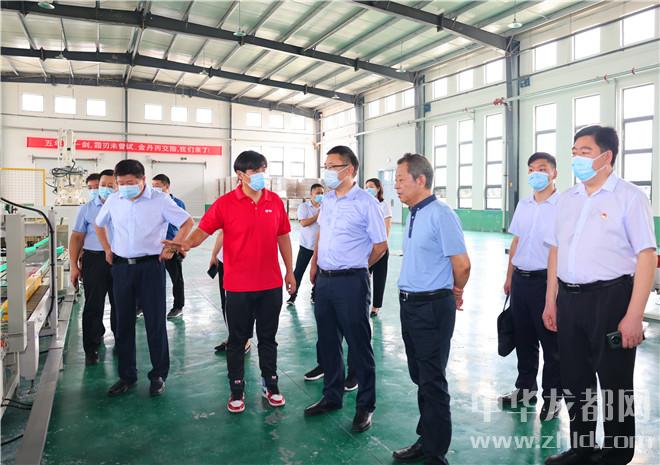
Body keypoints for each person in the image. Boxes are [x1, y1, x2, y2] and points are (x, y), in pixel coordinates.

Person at [543, 126, 656, 465]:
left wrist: (634, 315)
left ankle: (618, 453)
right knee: (575, 378)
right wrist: (551, 301)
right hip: (569, 299)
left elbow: (646, 255)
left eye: (585, 151)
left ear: (607, 156)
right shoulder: (567, 199)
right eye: (574, 151)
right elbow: (556, 251)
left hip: (611, 299)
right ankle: (583, 447)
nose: (576, 157)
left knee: (614, 381)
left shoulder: (630, 197)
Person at [164, 150, 295, 414]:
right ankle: (236, 388)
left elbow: (283, 236)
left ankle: (270, 384)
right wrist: (185, 244)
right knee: (237, 340)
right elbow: (203, 230)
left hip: (270, 284)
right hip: (238, 286)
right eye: (255, 172)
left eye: (263, 170)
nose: (261, 176)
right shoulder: (225, 204)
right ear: (240, 175)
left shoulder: (274, 202)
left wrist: (289, 271)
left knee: (268, 338)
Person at [391, 153, 471, 465]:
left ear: (420, 180)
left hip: (431, 306)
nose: (396, 186)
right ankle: (426, 438)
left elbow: (462, 265)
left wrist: (456, 290)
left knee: (432, 379)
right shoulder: (414, 213)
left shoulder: (441, 214)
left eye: (401, 179)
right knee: (421, 375)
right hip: (410, 303)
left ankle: (435, 452)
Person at [304, 145, 387, 434]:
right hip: (324, 280)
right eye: (325, 166)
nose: (327, 171)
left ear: (349, 169)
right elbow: (322, 233)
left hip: (352, 282)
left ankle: (365, 405)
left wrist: (358, 266)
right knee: (328, 342)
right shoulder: (327, 200)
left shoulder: (366, 203)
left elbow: (380, 245)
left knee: (358, 344)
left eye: (332, 166)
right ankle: (332, 396)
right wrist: (315, 263)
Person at [95, 159, 193, 398]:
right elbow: (99, 224)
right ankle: (126, 376)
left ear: (143, 180)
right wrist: (107, 248)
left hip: (151, 267)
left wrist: (173, 246)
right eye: (121, 183)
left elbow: (187, 222)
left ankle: (158, 374)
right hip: (121, 268)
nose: (125, 187)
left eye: (130, 182)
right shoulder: (114, 200)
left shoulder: (160, 200)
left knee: (155, 322)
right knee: (123, 323)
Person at [499, 152, 562, 421]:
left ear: (554, 173)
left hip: (546, 282)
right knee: (524, 339)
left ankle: (553, 398)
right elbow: (516, 241)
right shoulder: (524, 204)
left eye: (543, 168)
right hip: (520, 282)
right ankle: (525, 390)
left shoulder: (563, 205)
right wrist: (509, 276)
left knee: (551, 343)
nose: (536, 173)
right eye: (532, 169)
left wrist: (553, 293)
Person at [69, 171, 117, 365]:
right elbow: (76, 237)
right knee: (93, 304)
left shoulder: (125, 207)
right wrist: (73, 265)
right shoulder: (87, 209)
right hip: (94, 260)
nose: (104, 189)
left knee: (121, 303)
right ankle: (91, 347)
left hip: (120, 260)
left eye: (110, 185)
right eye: (102, 185)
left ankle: (122, 341)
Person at [209, 230, 252, 355]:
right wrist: (214, 255)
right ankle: (233, 336)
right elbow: (223, 232)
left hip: (244, 260)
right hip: (224, 261)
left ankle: (245, 339)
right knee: (226, 302)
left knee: (245, 301)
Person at [151, 174, 187, 319]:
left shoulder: (177, 203)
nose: (154, 188)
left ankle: (178, 306)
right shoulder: (152, 203)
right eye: (153, 186)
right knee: (149, 279)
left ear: (166, 186)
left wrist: (179, 246)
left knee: (176, 278)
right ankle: (141, 306)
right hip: (155, 247)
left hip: (172, 246)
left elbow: (184, 225)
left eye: (157, 186)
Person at [287, 183, 324, 306]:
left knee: (319, 273)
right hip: (306, 246)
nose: (320, 195)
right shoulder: (304, 207)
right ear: (311, 194)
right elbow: (303, 223)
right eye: (318, 193)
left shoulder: (326, 207)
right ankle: (293, 295)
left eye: (322, 193)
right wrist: (317, 216)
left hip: (321, 247)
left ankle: (315, 295)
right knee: (299, 271)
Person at [365, 178, 392, 317]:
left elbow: (387, 227)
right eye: (366, 187)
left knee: (379, 278)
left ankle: (376, 306)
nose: (368, 189)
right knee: (363, 276)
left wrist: (381, 244)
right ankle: (363, 302)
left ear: (378, 188)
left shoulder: (383, 205)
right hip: (366, 248)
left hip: (380, 247)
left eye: (371, 186)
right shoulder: (364, 203)